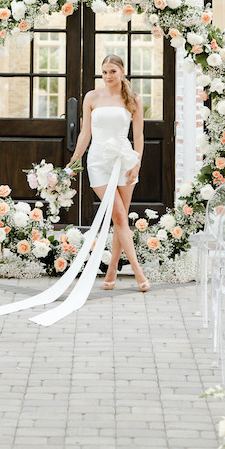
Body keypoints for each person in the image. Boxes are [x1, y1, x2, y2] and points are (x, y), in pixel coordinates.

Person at [67, 55, 149, 292]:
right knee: (120, 216)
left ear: (122, 71)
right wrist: (73, 163)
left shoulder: (133, 99)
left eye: (112, 71)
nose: (107, 76)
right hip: (98, 161)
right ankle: (137, 271)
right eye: (104, 72)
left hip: (125, 160)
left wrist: (137, 163)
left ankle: (112, 269)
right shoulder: (92, 97)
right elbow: (85, 134)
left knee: (120, 218)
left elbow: (139, 136)